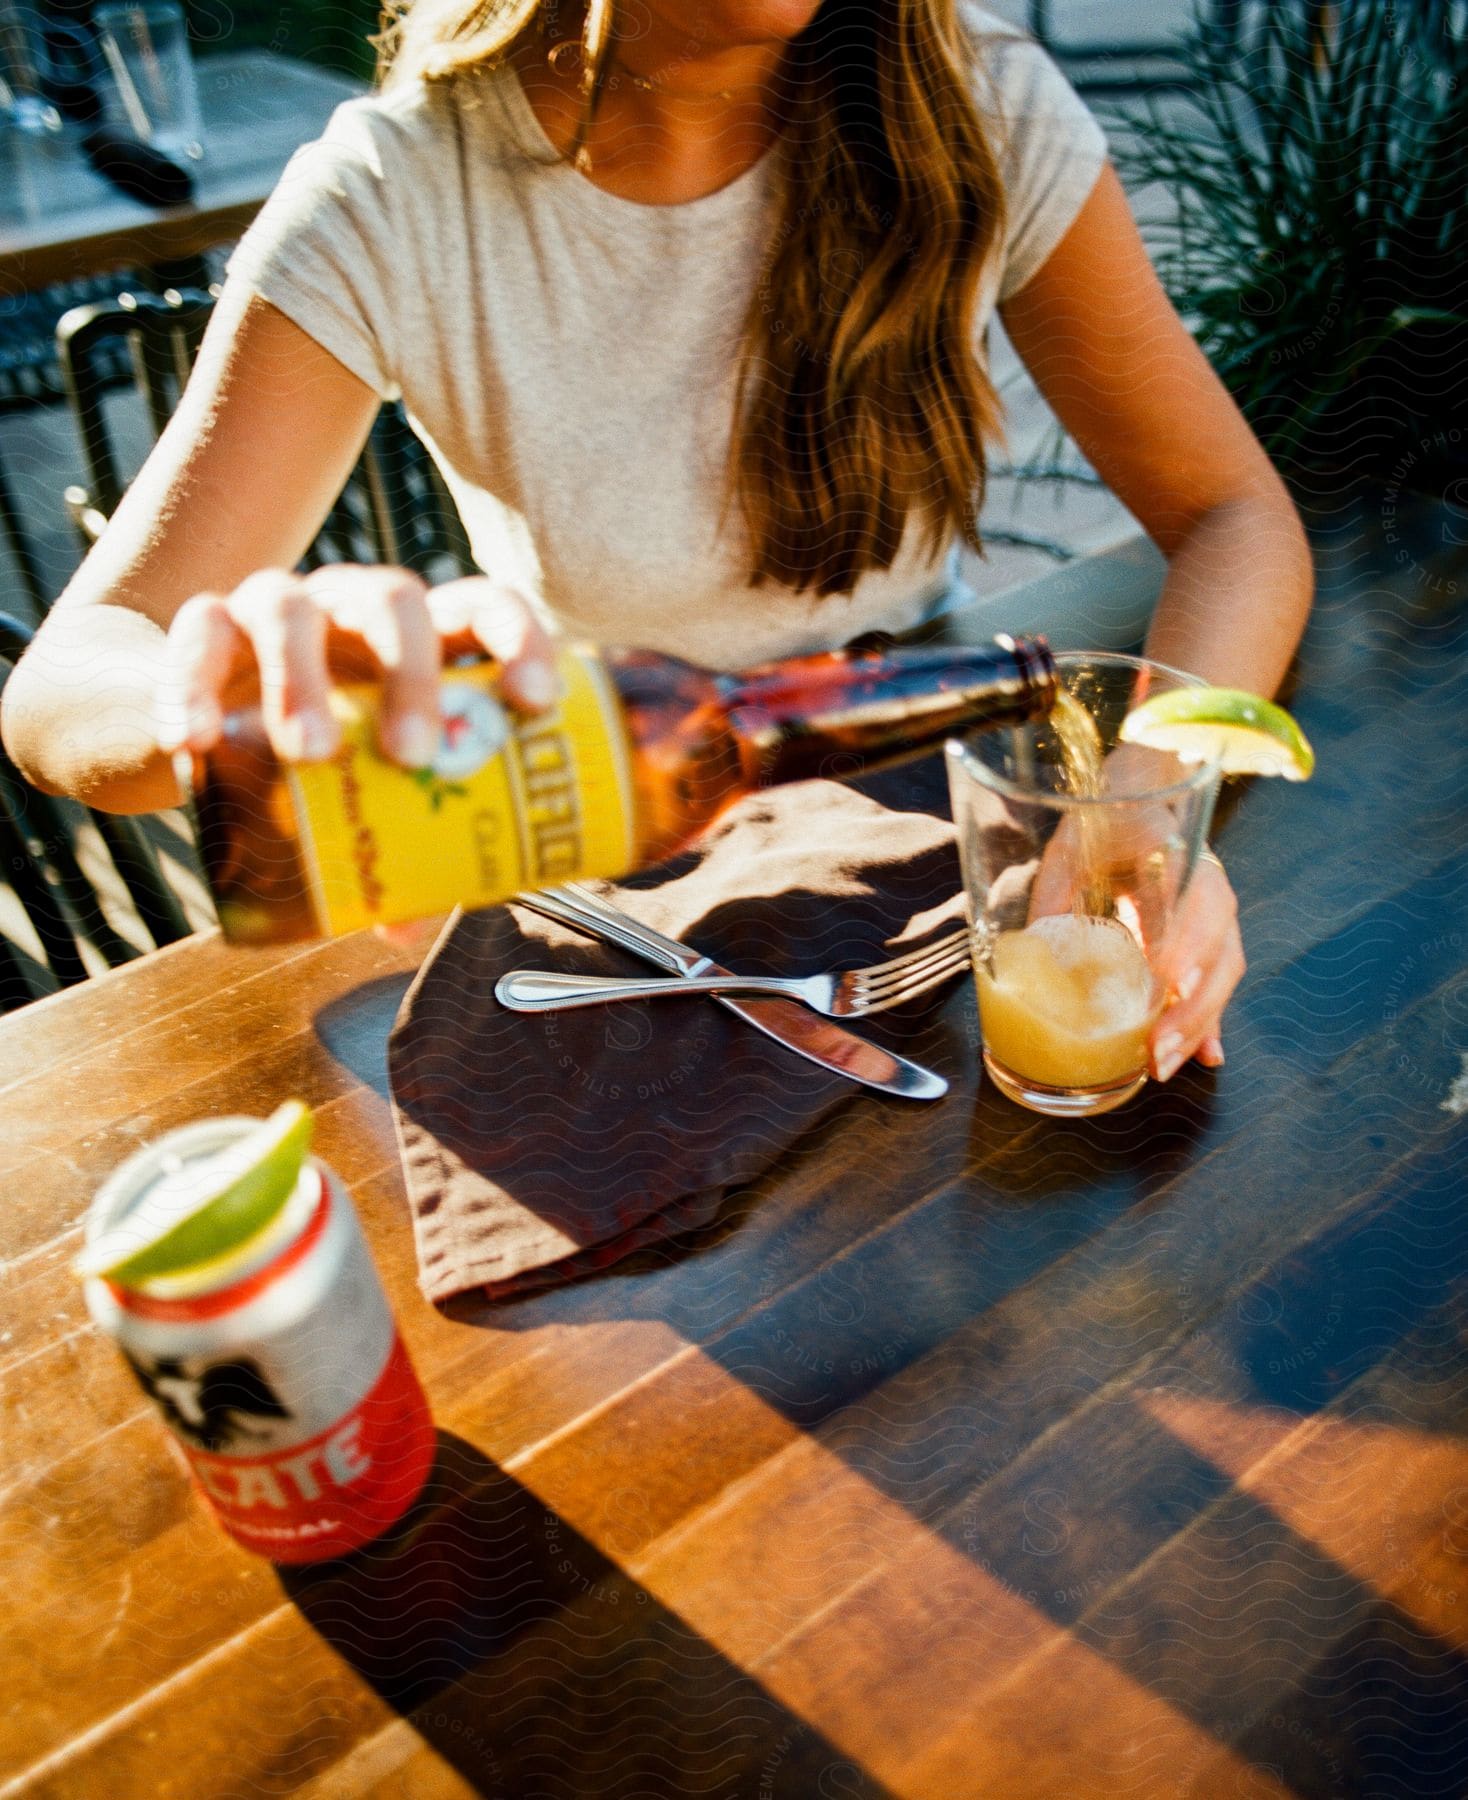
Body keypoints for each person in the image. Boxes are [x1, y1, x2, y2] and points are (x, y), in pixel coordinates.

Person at [0, 0, 1313, 1082]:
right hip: (605, 897)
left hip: (930, 853)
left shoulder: (978, 104)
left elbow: (1234, 517)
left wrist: (1131, 812)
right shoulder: (396, 191)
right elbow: (64, 685)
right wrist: (214, 706)